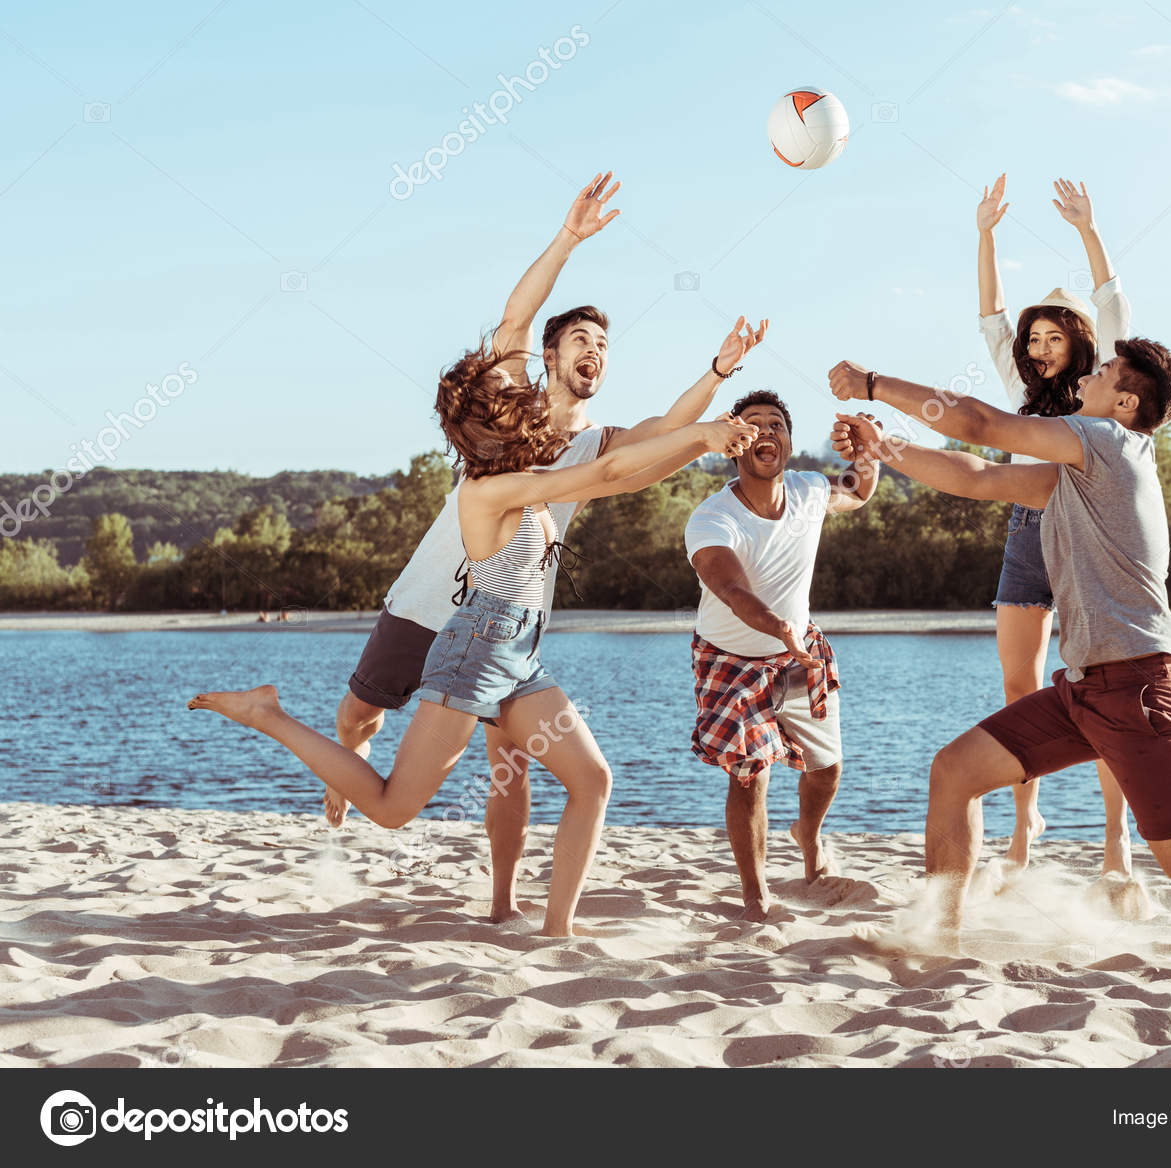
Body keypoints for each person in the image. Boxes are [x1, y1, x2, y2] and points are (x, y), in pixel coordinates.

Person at [827, 349, 1171, 964]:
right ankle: (934, 936)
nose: (1086, 377)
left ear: (1126, 404)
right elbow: (978, 476)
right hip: (1084, 690)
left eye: (1101, 375)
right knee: (955, 772)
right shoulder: (1078, 472)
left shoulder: (1107, 444)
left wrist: (873, 385)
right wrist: (884, 448)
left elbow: (981, 424)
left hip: (1139, 687)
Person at [190, 346, 759, 937]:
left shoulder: (530, 480)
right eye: (516, 409)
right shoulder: (488, 489)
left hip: (520, 654)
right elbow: (609, 471)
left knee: (592, 781)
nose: (532, 413)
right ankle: (268, 713)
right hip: (476, 651)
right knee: (391, 809)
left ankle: (557, 930)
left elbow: (626, 473)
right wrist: (702, 433)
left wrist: (702, 439)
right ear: (493, 429)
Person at [326, 170, 769, 923]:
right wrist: (567, 240)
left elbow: (655, 439)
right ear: (552, 357)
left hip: (505, 617)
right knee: (358, 716)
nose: (596, 352)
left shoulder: (594, 442)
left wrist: (721, 372)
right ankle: (345, 764)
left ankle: (502, 906)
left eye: (605, 344)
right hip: (433, 602)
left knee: (511, 765)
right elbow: (516, 316)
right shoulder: (511, 413)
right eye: (581, 341)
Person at [975, 173, 1135, 877]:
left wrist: (1088, 231)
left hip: (1091, 544)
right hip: (1026, 539)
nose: (1037, 346)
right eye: (1032, 337)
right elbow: (990, 319)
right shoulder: (1019, 396)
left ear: (1076, 340)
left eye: (1050, 335)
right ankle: (1023, 823)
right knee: (1020, 689)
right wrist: (984, 235)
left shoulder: (1104, 392)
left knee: (1100, 693)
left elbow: (1114, 302)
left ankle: (1114, 838)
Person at [685, 390, 879, 921]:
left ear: (790, 443)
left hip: (799, 653)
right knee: (750, 774)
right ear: (733, 444)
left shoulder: (811, 490)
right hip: (732, 658)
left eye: (777, 424)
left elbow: (857, 491)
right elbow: (733, 591)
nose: (766, 431)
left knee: (827, 767)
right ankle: (756, 895)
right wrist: (779, 630)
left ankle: (807, 836)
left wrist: (868, 449)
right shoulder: (711, 519)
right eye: (753, 425)